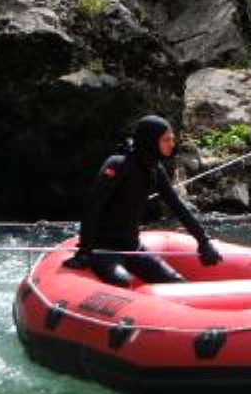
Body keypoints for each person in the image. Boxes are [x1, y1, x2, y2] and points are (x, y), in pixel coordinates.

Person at [68, 115, 222, 287]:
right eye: (166, 140)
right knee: (123, 282)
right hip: (103, 249)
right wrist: (85, 250)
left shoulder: (155, 169)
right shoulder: (118, 165)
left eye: (171, 139)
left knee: (179, 285)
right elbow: (92, 206)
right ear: (151, 140)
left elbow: (178, 207)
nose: (171, 144)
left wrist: (203, 241)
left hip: (133, 247)